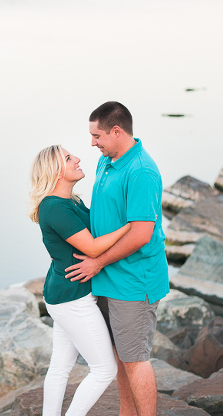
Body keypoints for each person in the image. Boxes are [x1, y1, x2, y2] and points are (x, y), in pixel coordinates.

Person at [65, 101, 170, 416]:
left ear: (116, 130)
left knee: (135, 359)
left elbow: (141, 234)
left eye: (97, 136)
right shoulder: (106, 162)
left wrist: (97, 262)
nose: (92, 143)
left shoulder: (141, 171)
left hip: (134, 282)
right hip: (107, 279)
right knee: (118, 357)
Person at [29, 145, 132, 416]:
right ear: (55, 171)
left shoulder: (71, 201)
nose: (77, 158)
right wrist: (132, 225)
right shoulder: (54, 207)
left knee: (60, 366)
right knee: (105, 369)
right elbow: (93, 248)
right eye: (68, 158)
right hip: (72, 299)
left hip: (66, 294)